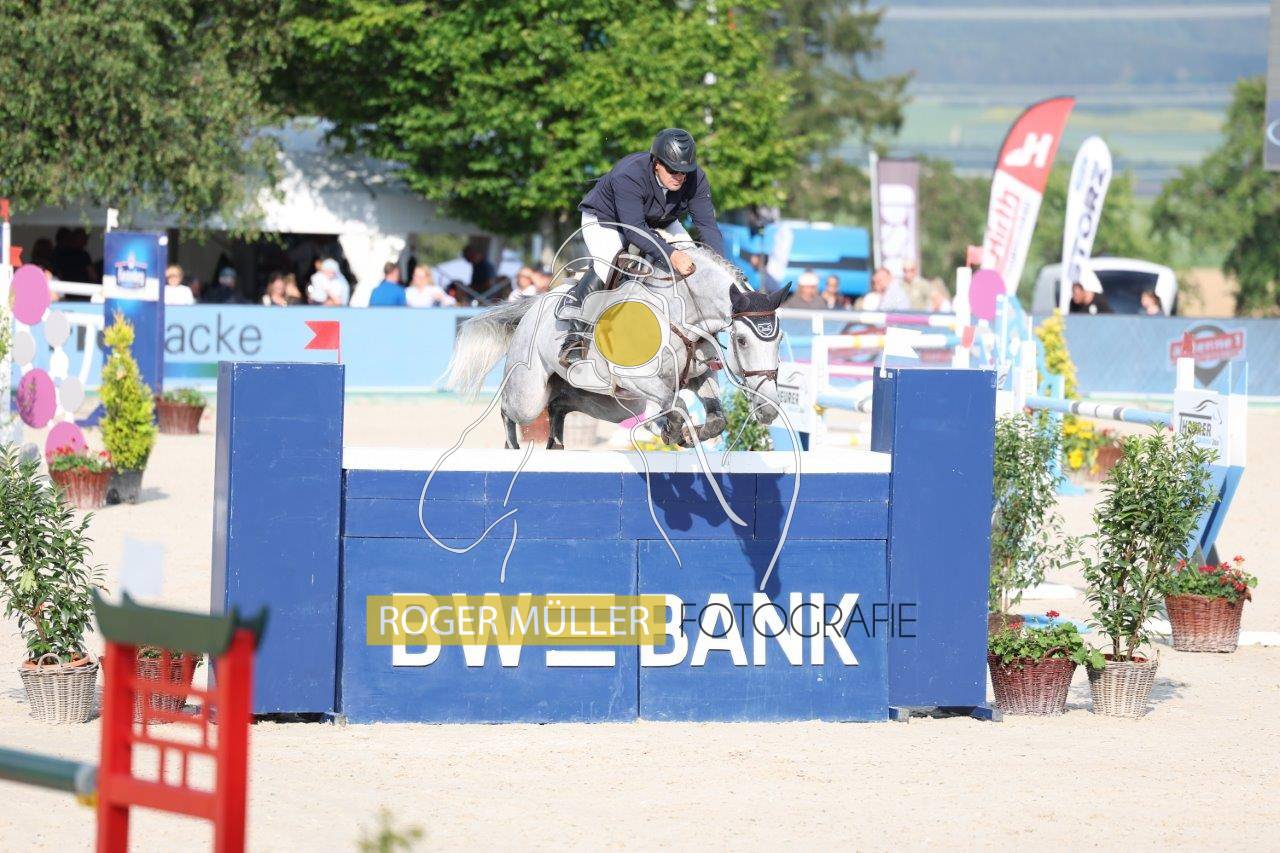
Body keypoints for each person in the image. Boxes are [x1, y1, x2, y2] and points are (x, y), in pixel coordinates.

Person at [559, 127, 727, 367]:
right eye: (673, 170)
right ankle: (575, 334)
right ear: (656, 163)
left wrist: (719, 266)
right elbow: (634, 229)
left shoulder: (696, 178)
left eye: (685, 171)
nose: (680, 177)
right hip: (607, 220)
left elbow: (707, 226)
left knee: (696, 266)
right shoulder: (628, 174)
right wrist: (671, 254)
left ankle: (703, 338)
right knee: (611, 266)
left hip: (659, 221)